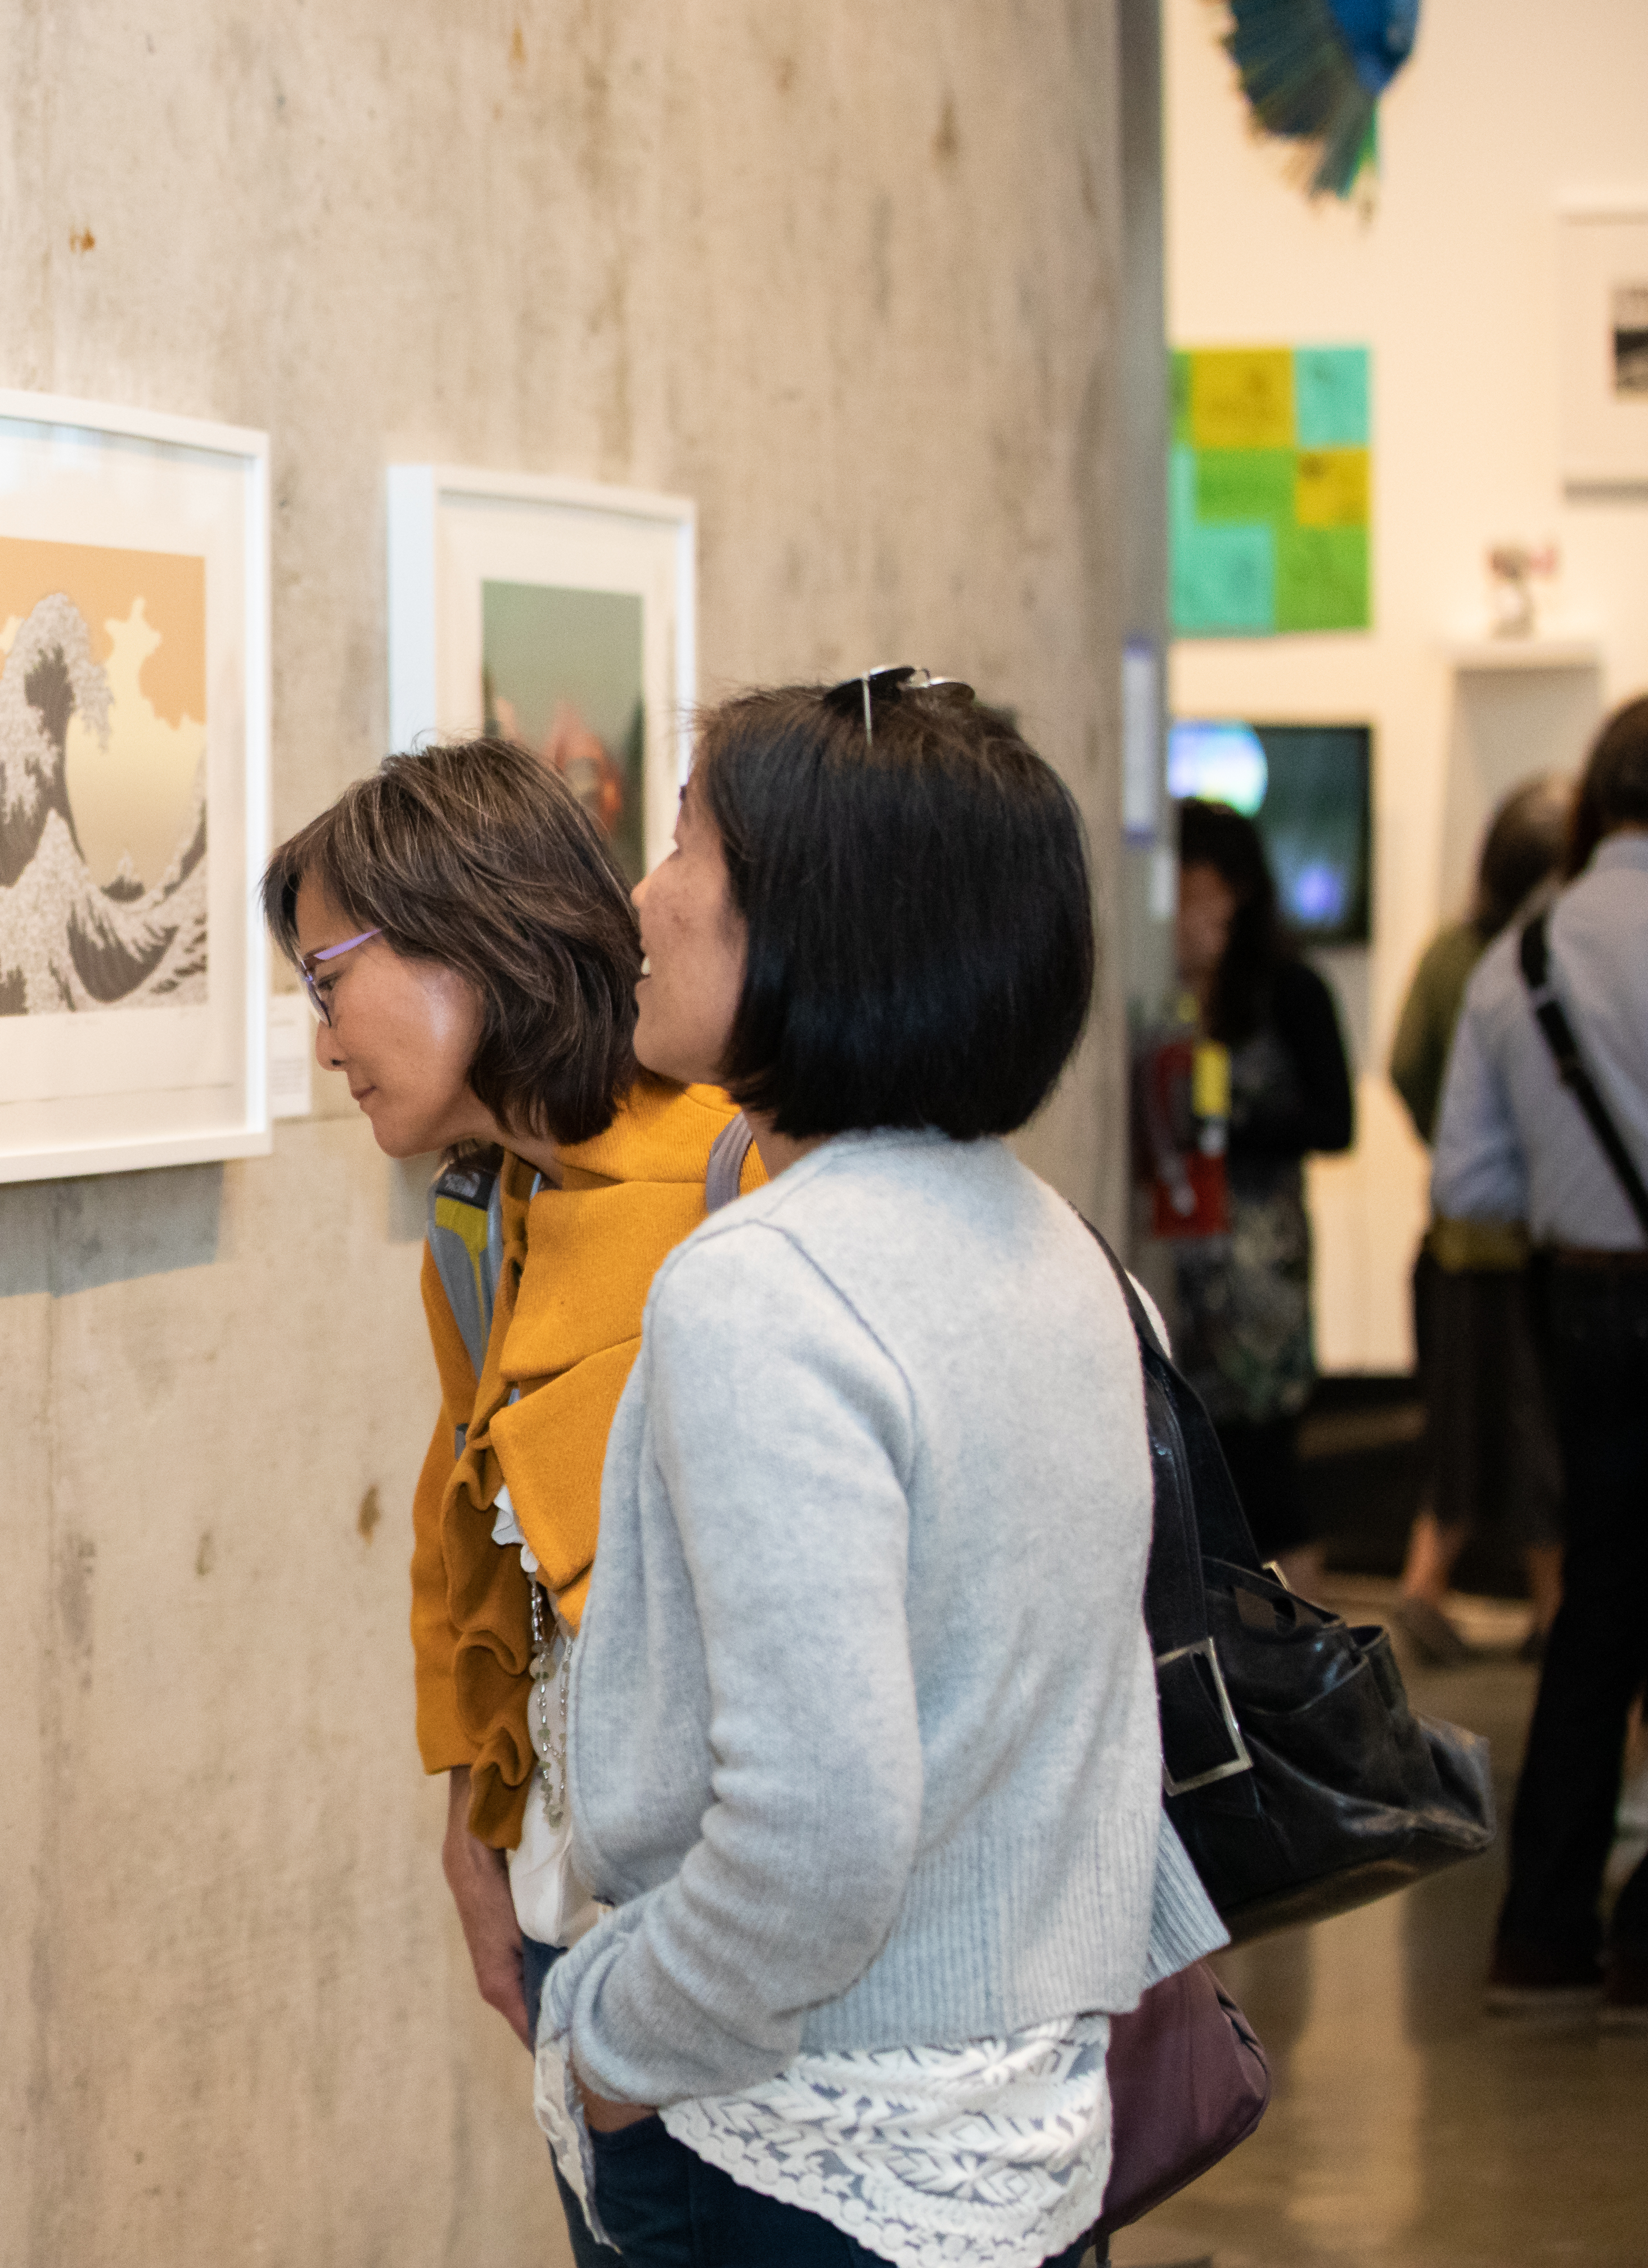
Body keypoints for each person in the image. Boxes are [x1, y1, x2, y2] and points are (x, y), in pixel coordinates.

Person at [533, 671, 1224, 2268]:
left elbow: (817, 1833)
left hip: (790, 2148)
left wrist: (616, 2054)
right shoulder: (1051, 1241)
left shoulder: (767, 1289)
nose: (641, 897)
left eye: (689, 845)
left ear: (816, 923)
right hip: (1019, 2138)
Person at [261, 737, 754, 2267]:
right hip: (576, 1937)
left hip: (734, 1976)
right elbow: (475, 1558)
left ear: (465, 941)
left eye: (328, 976)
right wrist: (473, 1828)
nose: (322, 1037)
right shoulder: (481, 1218)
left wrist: (638, 2023)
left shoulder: (739, 1190)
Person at [1433, 697, 1648, 2023]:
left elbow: (1467, 1174)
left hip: (1584, 1314)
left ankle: (1541, 1929)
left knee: (1599, 1608)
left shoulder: (1518, 955)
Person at [1386, 776, 1573, 1666]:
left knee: (1460, 1430)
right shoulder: (1539, 961)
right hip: (1534, 1244)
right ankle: (1545, 1601)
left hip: (1460, 1239)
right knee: (1536, 1434)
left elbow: (1406, 1065)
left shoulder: (1452, 958)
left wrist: (1450, 1150)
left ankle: (1431, 1587)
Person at [1168, 797, 1356, 1591]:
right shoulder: (1168, 983)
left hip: (1259, 1266)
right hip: (1184, 1249)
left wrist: (1229, 1125)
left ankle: (1301, 1666)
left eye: (1194, 879)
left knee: (1267, 1467)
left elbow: (1335, 1121)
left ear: (1232, 885)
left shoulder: (1292, 987)